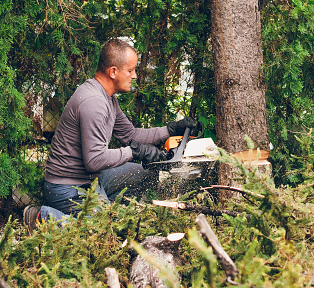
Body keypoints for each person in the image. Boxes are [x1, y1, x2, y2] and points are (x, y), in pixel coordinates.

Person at [23, 38, 197, 233]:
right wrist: (134, 152)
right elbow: (94, 160)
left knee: (147, 173)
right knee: (107, 232)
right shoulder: (94, 102)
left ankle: (108, 208)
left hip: (92, 179)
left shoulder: (107, 98)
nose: (134, 76)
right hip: (67, 187)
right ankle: (44, 218)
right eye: (130, 70)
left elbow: (130, 134)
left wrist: (171, 130)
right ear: (113, 71)